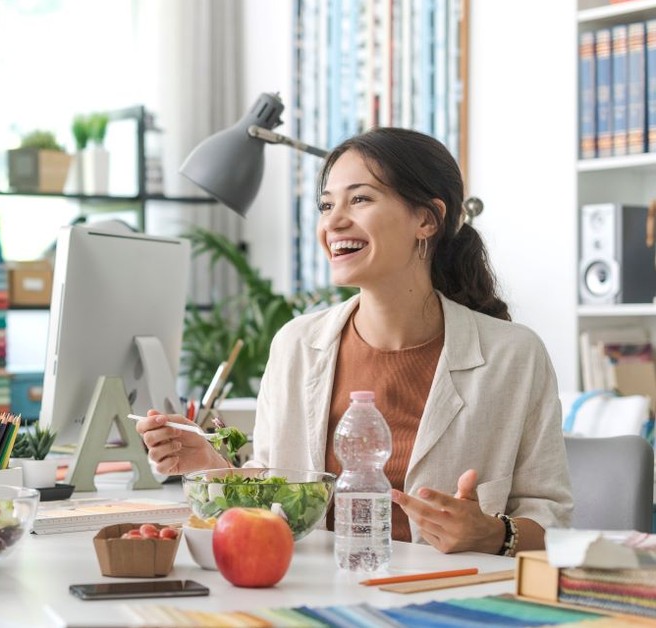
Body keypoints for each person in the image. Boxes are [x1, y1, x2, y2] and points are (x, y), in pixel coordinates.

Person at [138, 127, 572, 556]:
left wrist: (492, 534)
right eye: (326, 205)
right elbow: (268, 493)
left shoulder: (513, 356)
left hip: (446, 601)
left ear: (426, 219)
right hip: (316, 595)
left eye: (360, 199)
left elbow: (553, 522)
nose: (333, 221)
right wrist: (208, 465)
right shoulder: (295, 345)